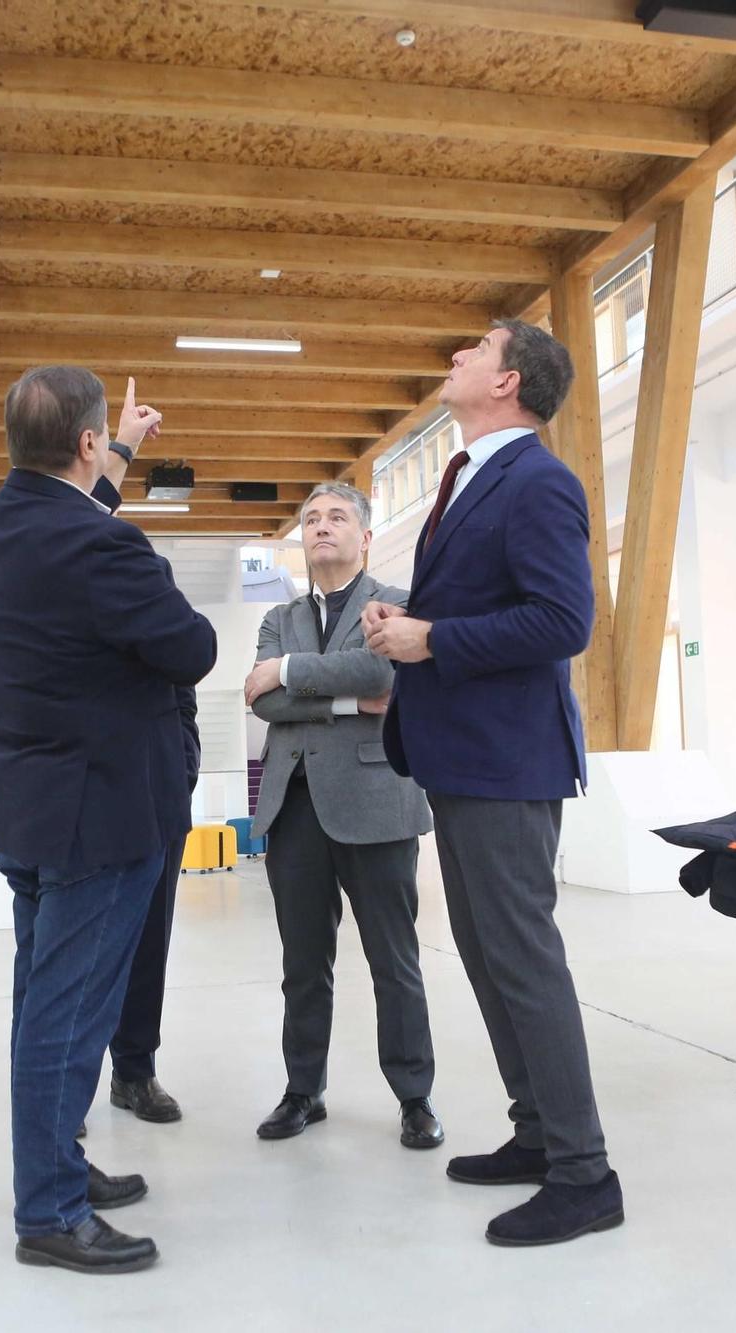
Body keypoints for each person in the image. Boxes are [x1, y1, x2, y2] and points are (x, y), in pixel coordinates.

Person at [363, 320, 623, 1249]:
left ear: (508, 381)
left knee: (523, 959)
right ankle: (538, 1133)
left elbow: (563, 619)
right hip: (462, 754)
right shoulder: (469, 475)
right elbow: (489, 605)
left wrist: (433, 640)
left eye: (474, 349)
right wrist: (413, 622)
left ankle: (585, 1173)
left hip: (509, 761)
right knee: (485, 955)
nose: (455, 357)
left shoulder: (541, 480)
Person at [0, 368, 216, 1275]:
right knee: (67, 1016)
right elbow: (195, 647)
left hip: (25, 808)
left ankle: (58, 1165)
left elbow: (71, 519)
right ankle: (51, 1210)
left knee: (41, 1001)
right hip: (102, 814)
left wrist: (126, 452)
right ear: (83, 443)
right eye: (104, 436)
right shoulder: (113, 551)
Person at [242, 482, 440, 1150]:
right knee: (303, 963)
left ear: (365, 536)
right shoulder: (278, 618)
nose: (320, 526)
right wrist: (345, 704)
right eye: (309, 518)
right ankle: (304, 1090)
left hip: (378, 803)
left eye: (335, 517)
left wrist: (291, 672)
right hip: (293, 806)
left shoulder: (400, 603)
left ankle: (415, 1097)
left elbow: (382, 673)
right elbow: (262, 704)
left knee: (395, 959)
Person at [90, 436, 198, 1128]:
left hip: (158, 797)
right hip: (87, 797)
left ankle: (135, 1071)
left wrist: (183, 761)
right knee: (77, 951)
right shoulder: (81, 608)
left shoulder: (158, 603)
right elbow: (77, 524)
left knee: (148, 943)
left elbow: (184, 685)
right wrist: (120, 453)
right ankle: (67, 1090)